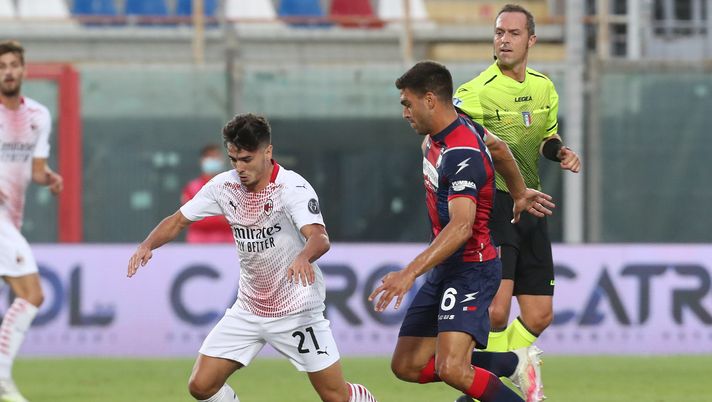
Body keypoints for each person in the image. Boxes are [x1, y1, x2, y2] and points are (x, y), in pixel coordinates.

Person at [128, 113, 377, 402]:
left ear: (267, 152)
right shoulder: (224, 186)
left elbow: (320, 238)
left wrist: (302, 257)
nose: (239, 168)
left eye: (246, 159)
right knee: (201, 385)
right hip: (249, 309)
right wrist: (147, 244)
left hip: (297, 310)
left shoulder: (292, 188)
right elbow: (177, 220)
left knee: (336, 396)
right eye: (233, 160)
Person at [369, 61, 554, 402]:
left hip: (472, 268)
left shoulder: (462, 153)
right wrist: (517, 192)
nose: (405, 112)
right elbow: (499, 148)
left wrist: (408, 274)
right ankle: (510, 362)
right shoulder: (453, 129)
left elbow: (462, 226)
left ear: (429, 100)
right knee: (407, 365)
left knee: (453, 369)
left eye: (407, 103)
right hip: (446, 268)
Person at [454, 3, 580, 360]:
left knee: (541, 315)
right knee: (496, 312)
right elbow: (451, 141)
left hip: (532, 205)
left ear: (531, 40)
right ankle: (490, 388)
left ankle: (504, 370)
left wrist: (561, 152)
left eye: (514, 33)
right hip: (494, 205)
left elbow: (546, 139)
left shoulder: (544, 88)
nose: (504, 41)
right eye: (499, 33)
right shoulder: (475, 91)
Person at [0, 40, 63, 402]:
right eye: (2, 65)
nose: (8, 71)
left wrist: (49, 177)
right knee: (33, 293)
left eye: (13, 64)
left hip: (12, 217)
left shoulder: (38, 115)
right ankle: (2, 377)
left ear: (23, 70)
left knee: (27, 295)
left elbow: (35, 169)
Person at [181, 144, 233, 243]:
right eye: (210, 157)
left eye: (216, 156)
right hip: (199, 245)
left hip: (228, 245)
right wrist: (221, 219)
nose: (214, 160)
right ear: (202, 161)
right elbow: (189, 218)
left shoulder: (232, 185)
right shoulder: (192, 188)